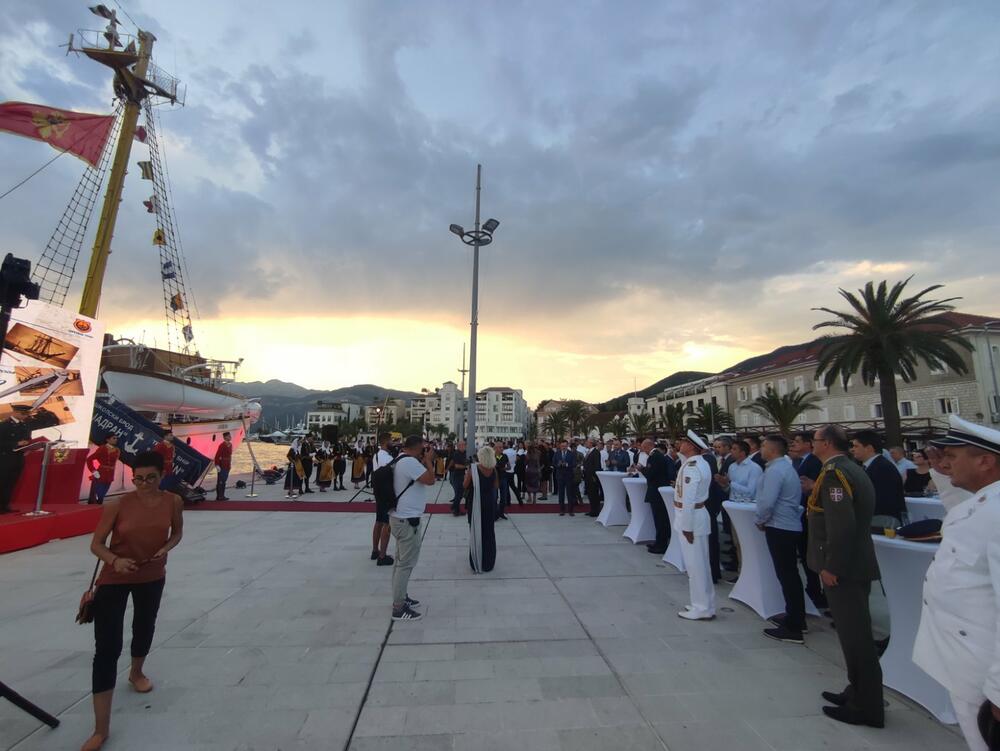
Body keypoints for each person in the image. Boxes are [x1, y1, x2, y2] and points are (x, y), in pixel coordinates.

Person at [81, 451, 183, 751]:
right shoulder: (117, 504)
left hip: (151, 574)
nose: (144, 484)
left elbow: (177, 533)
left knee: (144, 626)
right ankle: (101, 728)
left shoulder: (172, 501)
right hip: (115, 576)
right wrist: (115, 560)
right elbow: (96, 544)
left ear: (161, 475)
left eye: (151, 478)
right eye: (138, 479)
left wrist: (166, 548)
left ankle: (137, 671)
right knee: (107, 648)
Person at [913, 414, 1000, 751]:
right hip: (967, 660)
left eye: (953, 456)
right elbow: (961, 515)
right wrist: (943, 475)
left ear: (985, 461)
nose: (945, 463)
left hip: (984, 666)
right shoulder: (983, 500)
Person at [807, 425, 883, 728]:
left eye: (814, 441)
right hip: (851, 565)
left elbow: (842, 527)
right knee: (853, 635)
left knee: (856, 639)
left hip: (845, 568)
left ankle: (866, 706)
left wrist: (832, 566)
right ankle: (857, 691)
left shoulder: (835, 474)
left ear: (825, 443)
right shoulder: (848, 468)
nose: (811, 445)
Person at [755, 435, 808, 644]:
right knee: (789, 575)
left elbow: (768, 501)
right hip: (786, 525)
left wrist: (760, 519)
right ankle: (795, 616)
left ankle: (794, 626)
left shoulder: (776, 471)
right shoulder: (783, 468)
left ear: (773, 449)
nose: (761, 449)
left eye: (763, 446)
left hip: (780, 526)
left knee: (787, 575)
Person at [389, 435, 436, 621]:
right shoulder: (410, 462)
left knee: (400, 561)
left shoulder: (400, 459)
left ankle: (401, 596)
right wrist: (429, 462)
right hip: (408, 520)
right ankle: (398, 607)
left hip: (399, 517)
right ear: (418, 448)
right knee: (405, 564)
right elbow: (431, 480)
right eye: (423, 449)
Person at [676, 430, 716, 621]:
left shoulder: (692, 466)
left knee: (696, 566)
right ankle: (704, 603)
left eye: (683, 442)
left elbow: (689, 499)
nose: (680, 444)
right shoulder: (701, 463)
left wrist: (687, 526)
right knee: (700, 564)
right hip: (697, 516)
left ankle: (701, 607)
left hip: (692, 518)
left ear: (691, 446)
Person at [793, 431, 827, 611]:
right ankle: (813, 587)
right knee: (806, 552)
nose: (794, 445)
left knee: (811, 551)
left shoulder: (813, 461)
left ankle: (817, 590)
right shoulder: (802, 461)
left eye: (798, 442)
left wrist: (809, 488)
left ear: (809, 444)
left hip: (811, 512)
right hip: (804, 511)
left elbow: (814, 486)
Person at [850, 430, 906, 526]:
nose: (852, 449)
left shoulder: (882, 467)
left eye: (856, 446)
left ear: (869, 448)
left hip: (884, 520)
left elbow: (880, 499)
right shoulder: (873, 466)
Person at [465, 445, 499, 574]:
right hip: (489, 502)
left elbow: (465, 485)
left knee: (475, 531)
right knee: (489, 532)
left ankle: (476, 560)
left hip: (475, 503)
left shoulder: (474, 469)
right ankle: (488, 562)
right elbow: (496, 486)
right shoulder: (493, 470)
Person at [640, 439, 676, 554]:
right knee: (659, 519)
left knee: (660, 519)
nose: (643, 450)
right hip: (657, 491)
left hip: (657, 492)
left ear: (647, 446)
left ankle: (661, 544)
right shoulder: (658, 456)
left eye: (643, 448)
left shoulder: (654, 457)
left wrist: (643, 470)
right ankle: (659, 542)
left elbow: (651, 474)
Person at [0, 414, 32, 513]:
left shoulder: (25, 425)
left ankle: (4, 506)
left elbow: (27, 439)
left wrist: (28, 446)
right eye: (23, 413)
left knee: (11, 483)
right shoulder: (4, 425)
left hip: (18, 458)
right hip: (4, 458)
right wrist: (16, 444)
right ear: (15, 412)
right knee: (2, 483)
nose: (25, 415)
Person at [371, 434, 394, 566]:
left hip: (378, 491)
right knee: (387, 523)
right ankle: (382, 555)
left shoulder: (377, 455)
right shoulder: (387, 457)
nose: (393, 443)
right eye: (391, 441)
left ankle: (375, 550)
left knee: (379, 520)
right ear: (386, 442)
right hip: (386, 492)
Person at [87, 435, 121, 505]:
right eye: (114, 438)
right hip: (100, 475)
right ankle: (93, 510)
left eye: (116, 438)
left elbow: (114, 463)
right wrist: (94, 471)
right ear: (107, 440)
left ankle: (98, 509)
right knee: (96, 494)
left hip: (110, 475)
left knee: (102, 494)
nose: (116, 439)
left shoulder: (117, 450)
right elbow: (89, 459)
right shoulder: (102, 448)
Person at [553, 439, 577, 516]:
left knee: (570, 493)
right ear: (560, 446)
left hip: (569, 476)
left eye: (565, 446)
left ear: (567, 446)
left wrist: (566, 465)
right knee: (561, 494)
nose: (563, 447)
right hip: (560, 476)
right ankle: (562, 510)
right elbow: (553, 462)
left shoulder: (571, 454)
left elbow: (574, 464)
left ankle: (571, 510)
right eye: (562, 446)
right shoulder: (557, 453)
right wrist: (558, 465)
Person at [446, 440, 469, 516]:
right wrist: (466, 467)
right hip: (457, 475)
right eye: (461, 445)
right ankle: (454, 508)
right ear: (458, 446)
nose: (463, 446)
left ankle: (456, 510)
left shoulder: (465, 453)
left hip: (463, 475)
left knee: (460, 493)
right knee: (459, 493)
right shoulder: (457, 453)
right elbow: (456, 465)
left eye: (464, 445)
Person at [583, 438, 603, 517]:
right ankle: (592, 509)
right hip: (587, 476)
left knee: (594, 494)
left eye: (587, 442)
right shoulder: (589, 451)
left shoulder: (596, 452)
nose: (586, 443)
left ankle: (596, 511)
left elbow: (597, 465)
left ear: (591, 443)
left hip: (592, 477)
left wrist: (594, 476)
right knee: (590, 494)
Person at [213, 432, 233, 501]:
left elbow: (230, 455)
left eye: (230, 436)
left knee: (224, 480)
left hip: (227, 465)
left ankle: (222, 495)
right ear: (225, 437)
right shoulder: (222, 445)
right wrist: (217, 465)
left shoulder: (230, 445)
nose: (230, 437)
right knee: (220, 481)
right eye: (229, 436)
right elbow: (217, 455)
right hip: (222, 465)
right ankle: (219, 496)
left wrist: (230, 464)